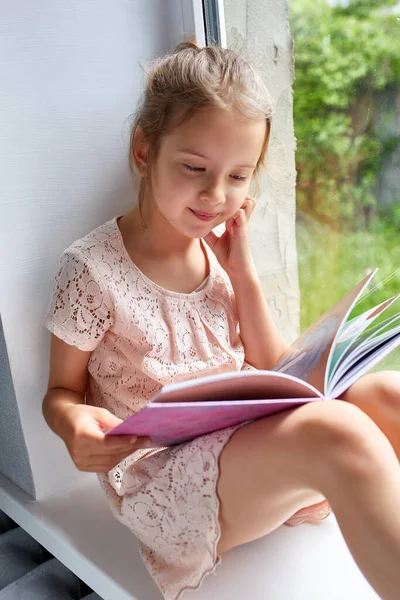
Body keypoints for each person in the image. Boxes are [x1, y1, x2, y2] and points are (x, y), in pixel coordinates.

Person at [42, 41, 400, 600]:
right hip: (162, 484)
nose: (216, 196)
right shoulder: (91, 269)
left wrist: (242, 270)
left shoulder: (217, 255)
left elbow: (275, 371)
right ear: (144, 151)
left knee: (390, 395)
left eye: (238, 177)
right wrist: (72, 426)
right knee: (343, 433)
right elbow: (60, 391)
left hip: (240, 452)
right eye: (195, 169)